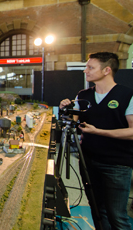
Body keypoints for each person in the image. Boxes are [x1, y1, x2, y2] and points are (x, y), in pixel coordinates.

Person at [59, 52, 133, 230]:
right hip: (89, 161)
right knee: (98, 210)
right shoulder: (83, 95)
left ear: (107, 70)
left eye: (91, 67)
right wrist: (65, 109)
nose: (86, 71)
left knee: (117, 215)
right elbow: (72, 122)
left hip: (117, 164)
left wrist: (99, 132)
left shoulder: (127, 95)